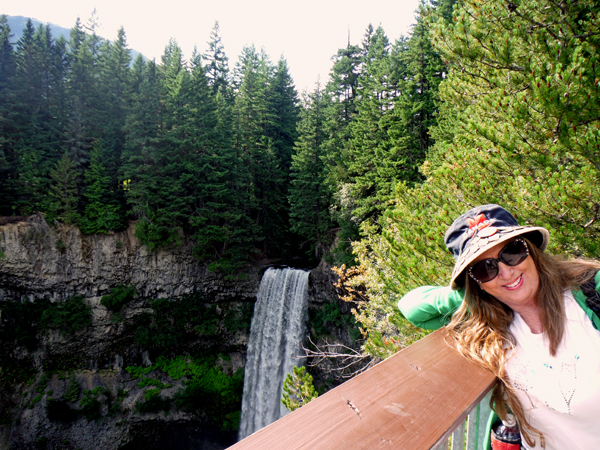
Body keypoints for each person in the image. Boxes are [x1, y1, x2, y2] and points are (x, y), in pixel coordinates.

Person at [398, 204, 600, 450]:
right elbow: (412, 309)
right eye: (485, 269)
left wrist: (485, 282)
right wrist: (471, 294)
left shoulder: (589, 293)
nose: (506, 272)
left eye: (512, 252)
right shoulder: (492, 323)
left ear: (531, 251)